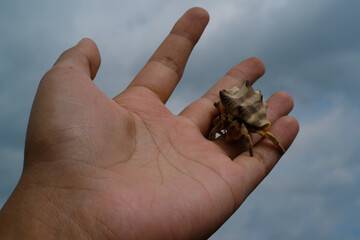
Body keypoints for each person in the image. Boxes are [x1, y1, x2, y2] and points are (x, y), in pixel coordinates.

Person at [0, 7, 298, 239]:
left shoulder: (240, 121)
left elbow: (241, 130)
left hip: (241, 113)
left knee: (257, 135)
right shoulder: (224, 116)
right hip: (232, 112)